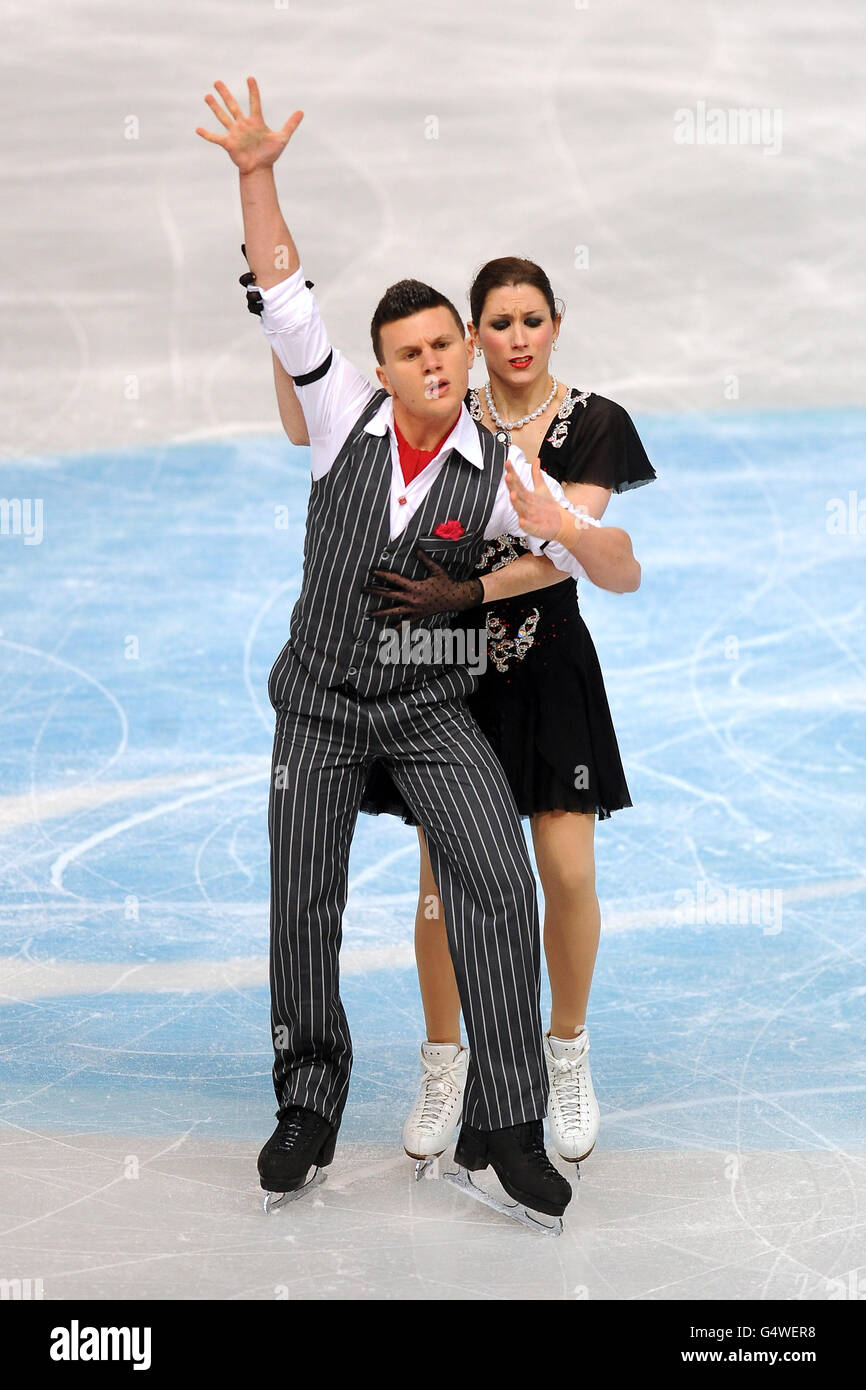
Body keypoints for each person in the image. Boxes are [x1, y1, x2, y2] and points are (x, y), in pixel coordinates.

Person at [197, 77, 641, 1231]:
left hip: (432, 712)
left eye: (449, 341)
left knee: (495, 888)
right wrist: (256, 173)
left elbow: (606, 558)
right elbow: (284, 287)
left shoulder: (497, 468)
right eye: (414, 349)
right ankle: (308, 1102)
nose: (438, 360)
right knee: (304, 899)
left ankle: (504, 1123)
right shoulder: (337, 413)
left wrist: (576, 532)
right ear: (381, 367)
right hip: (321, 710)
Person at [264, 257, 655, 1176]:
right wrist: (279, 328)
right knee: (444, 892)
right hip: (448, 667)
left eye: (532, 319)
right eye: (498, 324)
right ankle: (446, 1064)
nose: (516, 338)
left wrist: (476, 581)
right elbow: (309, 420)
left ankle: (562, 1056)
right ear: (475, 336)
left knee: (557, 872)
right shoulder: (452, 416)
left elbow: (578, 556)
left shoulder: (585, 425)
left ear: (556, 322)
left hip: (545, 661)